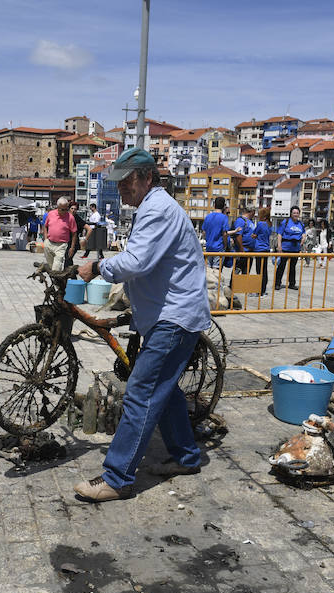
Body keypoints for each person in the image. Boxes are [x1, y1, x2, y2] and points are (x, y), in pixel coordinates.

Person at [73, 148, 210, 502]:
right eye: (118, 185)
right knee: (167, 392)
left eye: (128, 182)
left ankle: (117, 479)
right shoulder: (153, 208)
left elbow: (136, 261)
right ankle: (187, 456)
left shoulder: (158, 209)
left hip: (174, 317)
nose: (122, 190)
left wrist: (98, 267)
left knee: (140, 393)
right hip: (171, 314)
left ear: (148, 178)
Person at [274, 206, 305, 290]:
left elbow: (303, 233)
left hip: (295, 249)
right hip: (285, 248)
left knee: (292, 267)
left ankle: (292, 283)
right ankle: (277, 283)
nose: (296, 214)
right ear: (291, 214)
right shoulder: (286, 222)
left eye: (297, 213)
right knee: (281, 266)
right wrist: (279, 246)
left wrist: (303, 238)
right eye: (294, 213)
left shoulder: (301, 224)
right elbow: (279, 234)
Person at [42, 197, 77, 271]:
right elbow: (45, 226)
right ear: (58, 207)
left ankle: (56, 280)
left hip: (61, 245)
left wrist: (72, 247)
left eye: (66, 209)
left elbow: (74, 233)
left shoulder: (70, 218)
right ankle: (55, 280)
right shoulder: (51, 214)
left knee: (57, 267)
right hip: (49, 243)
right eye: (62, 209)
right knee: (51, 266)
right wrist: (45, 239)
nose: (65, 211)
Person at [200, 197, 230, 269]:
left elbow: (204, 232)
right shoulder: (224, 218)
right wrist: (225, 245)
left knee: (208, 270)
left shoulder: (208, 217)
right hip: (219, 247)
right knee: (216, 271)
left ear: (214, 205)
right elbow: (224, 234)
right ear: (223, 206)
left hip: (209, 247)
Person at [252, 207, 272, 296]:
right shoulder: (269, 225)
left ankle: (258, 290)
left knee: (258, 270)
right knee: (264, 270)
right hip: (266, 249)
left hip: (259, 249)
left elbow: (254, 234)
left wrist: (253, 236)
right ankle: (263, 289)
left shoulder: (260, 224)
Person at [64, 201, 89, 269]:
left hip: (74, 243)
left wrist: (85, 240)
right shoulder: (66, 216)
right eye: (72, 208)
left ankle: (70, 276)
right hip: (65, 242)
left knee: (67, 260)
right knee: (68, 261)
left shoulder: (77, 219)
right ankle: (72, 276)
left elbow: (89, 229)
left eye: (75, 209)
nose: (73, 210)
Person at [232, 206, 255, 275]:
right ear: (251, 212)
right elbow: (238, 236)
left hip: (250, 252)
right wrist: (242, 250)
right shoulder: (241, 221)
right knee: (236, 271)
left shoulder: (251, 221)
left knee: (246, 272)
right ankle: (233, 285)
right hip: (243, 251)